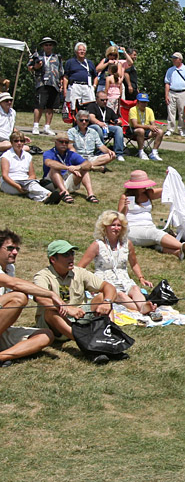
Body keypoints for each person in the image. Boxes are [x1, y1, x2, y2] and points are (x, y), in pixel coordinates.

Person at [33, 239, 117, 344]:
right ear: (53, 259)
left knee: (102, 297)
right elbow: (41, 298)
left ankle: (111, 335)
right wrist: (67, 309)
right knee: (50, 313)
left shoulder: (79, 272)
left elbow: (108, 287)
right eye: (65, 255)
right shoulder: (42, 276)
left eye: (72, 253)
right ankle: (85, 343)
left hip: (79, 316)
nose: (71, 257)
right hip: (55, 324)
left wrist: (107, 302)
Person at [77, 210, 157, 316]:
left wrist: (141, 277)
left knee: (135, 289)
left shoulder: (127, 244)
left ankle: (144, 306)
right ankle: (142, 309)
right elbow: (80, 267)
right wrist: (89, 285)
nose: (116, 228)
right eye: (112, 225)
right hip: (105, 280)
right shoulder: (97, 245)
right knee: (121, 295)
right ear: (105, 226)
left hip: (124, 278)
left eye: (119, 225)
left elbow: (134, 263)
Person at [0, 230, 61, 364]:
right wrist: (51, 294)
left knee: (46, 335)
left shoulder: (10, 268)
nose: (15, 252)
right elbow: (14, 284)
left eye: (17, 249)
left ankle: (2, 356)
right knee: (18, 297)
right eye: (10, 248)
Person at [118, 170, 185, 259]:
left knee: (155, 241)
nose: (145, 186)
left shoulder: (148, 193)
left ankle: (178, 253)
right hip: (132, 229)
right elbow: (120, 217)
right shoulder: (125, 197)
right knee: (155, 234)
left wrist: (169, 177)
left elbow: (167, 190)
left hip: (149, 227)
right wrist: (125, 207)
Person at [42, 132, 104, 204]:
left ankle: (90, 194)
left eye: (66, 142)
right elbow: (49, 163)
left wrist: (78, 167)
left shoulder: (71, 154)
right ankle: (65, 193)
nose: (64, 144)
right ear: (56, 142)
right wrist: (68, 168)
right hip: (51, 182)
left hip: (66, 181)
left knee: (84, 169)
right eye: (61, 142)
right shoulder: (49, 153)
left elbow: (88, 164)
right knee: (54, 169)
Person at [1, 131, 52, 202]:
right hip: (10, 182)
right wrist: (17, 186)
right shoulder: (6, 156)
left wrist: (29, 181)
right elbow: (5, 176)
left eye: (21, 141)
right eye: (16, 141)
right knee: (30, 188)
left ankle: (45, 199)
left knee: (32, 185)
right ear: (11, 143)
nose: (19, 143)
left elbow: (32, 175)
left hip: (25, 182)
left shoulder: (28, 156)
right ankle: (49, 194)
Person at [29, 37, 62, 135]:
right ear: (43, 46)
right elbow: (29, 67)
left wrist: (61, 83)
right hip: (42, 83)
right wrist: (36, 67)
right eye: (46, 45)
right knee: (39, 105)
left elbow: (61, 70)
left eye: (50, 45)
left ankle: (47, 127)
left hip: (54, 84)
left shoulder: (57, 57)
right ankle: (36, 126)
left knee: (50, 106)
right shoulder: (37, 55)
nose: (48, 46)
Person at [83, 89, 125, 161]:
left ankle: (119, 153)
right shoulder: (92, 106)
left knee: (118, 129)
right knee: (97, 127)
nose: (105, 102)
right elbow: (91, 117)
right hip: (92, 127)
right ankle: (101, 152)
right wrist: (99, 123)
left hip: (106, 127)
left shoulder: (108, 109)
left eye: (106, 100)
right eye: (102, 100)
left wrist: (118, 121)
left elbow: (118, 119)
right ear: (97, 99)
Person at [164, 51, 185, 137]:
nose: (173, 60)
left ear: (180, 59)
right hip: (172, 92)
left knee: (182, 113)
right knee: (171, 112)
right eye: (173, 59)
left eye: (175, 58)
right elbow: (167, 83)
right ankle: (170, 129)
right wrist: (166, 95)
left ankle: (182, 129)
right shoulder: (170, 70)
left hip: (183, 92)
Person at [128, 93, 165, 161]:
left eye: (145, 102)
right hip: (134, 130)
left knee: (160, 131)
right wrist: (148, 126)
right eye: (142, 102)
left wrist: (154, 127)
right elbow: (135, 125)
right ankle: (141, 152)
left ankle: (154, 152)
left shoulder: (149, 110)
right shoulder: (133, 110)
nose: (144, 104)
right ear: (138, 102)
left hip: (147, 130)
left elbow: (153, 123)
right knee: (141, 130)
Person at [62, 42, 97, 111]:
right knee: (74, 106)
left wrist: (94, 86)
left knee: (91, 105)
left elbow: (95, 76)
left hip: (87, 87)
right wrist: (65, 89)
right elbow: (66, 77)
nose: (82, 52)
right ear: (76, 51)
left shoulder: (90, 63)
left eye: (84, 50)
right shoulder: (70, 62)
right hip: (75, 86)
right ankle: (75, 120)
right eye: (80, 50)